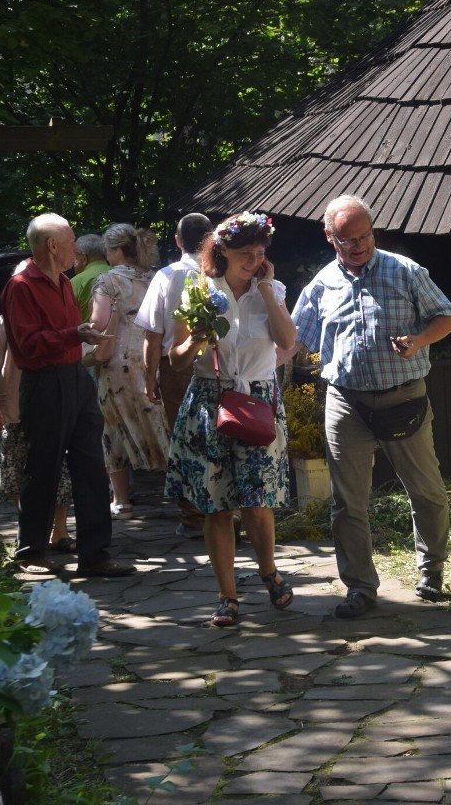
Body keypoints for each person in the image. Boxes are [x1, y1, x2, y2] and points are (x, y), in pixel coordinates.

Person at [290, 194, 451, 619]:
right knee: (348, 502)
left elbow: (448, 317)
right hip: (346, 402)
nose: (360, 244)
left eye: (365, 235)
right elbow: (293, 341)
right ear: (331, 238)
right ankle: (361, 589)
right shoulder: (321, 284)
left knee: (426, 490)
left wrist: (419, 340)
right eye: (349, 240)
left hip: (404, 397)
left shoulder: (404, 271)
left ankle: (432, 571)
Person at [165, 211, 297, 626]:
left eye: (260, 253)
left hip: (257, 399)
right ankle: (227, 596)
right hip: (209, 401)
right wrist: (199, 339)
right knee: (215, 506)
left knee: (257, 502)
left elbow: (288, 341)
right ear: (221, 251)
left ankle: (268, 570)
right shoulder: (201, 291)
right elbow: (176, 359)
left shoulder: (271, 288)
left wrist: (265, 291)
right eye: (245, 253)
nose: (254, 260)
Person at [0, 212, 136, 577]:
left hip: (75, 377)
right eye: (71, 240)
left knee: (91, 465)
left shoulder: (62, 280)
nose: (77, 247)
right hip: (43, 382)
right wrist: (74, 334)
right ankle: (30, 551)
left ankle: (94, 554)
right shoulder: (21, 286)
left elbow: (64, 333)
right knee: (42, 466)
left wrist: (82, 334)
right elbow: (27, 345)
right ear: (52, 245)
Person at [0, 262, 75, 554]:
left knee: (63, 474)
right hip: (16, 411)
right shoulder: (1, 324)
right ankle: (35, 531)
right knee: (22, 476)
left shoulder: (59, 323)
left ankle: (59, 531)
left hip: (54, 406)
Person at [135, 212, 213, 537]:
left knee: (184, 440)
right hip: (219, 363)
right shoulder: (221, 272)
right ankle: (227, 510)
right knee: (219, 435)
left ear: (178, 240)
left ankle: (193, 516)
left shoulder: (167, 276)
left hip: (175, 367)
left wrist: (149, 378)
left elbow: (152, 335)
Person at [89, 223, 171, 518]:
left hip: (117, 366)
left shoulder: (108, 282)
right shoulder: (157, 279)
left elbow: (98, 325)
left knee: (114, 429)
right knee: (162, 424)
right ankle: (185, 495)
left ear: (116, 251)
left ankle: (122, 500)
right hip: (154, 361)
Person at [71, 233, 109, 321]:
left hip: (85, 333)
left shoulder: (76, 281)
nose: (73, 260)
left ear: (84, 259)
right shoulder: (117, 274)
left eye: (75, 256)